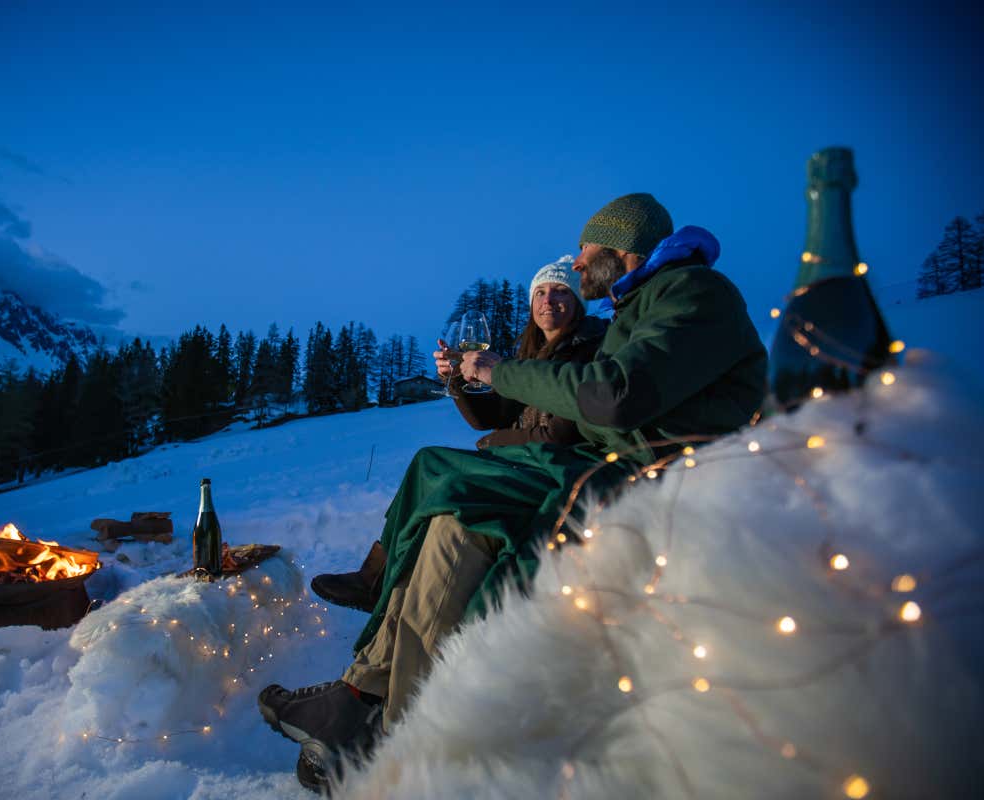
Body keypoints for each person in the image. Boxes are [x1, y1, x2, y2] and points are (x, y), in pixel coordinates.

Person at [257, 193, 768, 792]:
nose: (575, 267)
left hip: (635, 485)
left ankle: (407, 729)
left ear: (620, 247)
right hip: (599, 472)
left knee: (439, 476)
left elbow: (607, 401)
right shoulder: (642, 304)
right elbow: (575, 409)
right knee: (449, 527)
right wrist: (475, 385)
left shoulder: (694, 294)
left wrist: (497, 373)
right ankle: (371, 708)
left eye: (583, 254)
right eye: (543, 289)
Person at [310, 260, 608, 613]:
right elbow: (488, 418)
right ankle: (381, 577)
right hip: (523, 461)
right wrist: (457, 380)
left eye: (561, 291)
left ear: (577, 300)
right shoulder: (532, 354)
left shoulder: (588, 349)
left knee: (432, 465)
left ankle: (377, 580)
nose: (548, 300)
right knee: (429, 466)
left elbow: (557, 434)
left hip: (552, 469)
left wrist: (492, 444)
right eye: (540, 292)